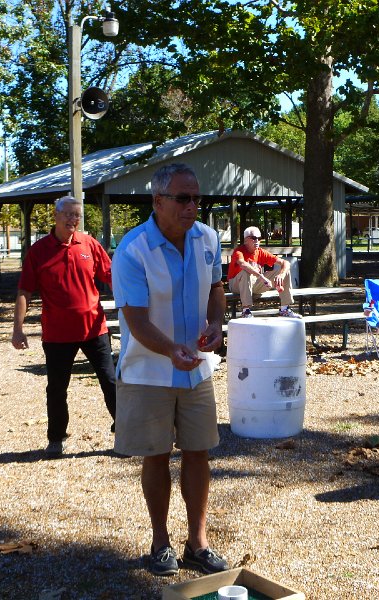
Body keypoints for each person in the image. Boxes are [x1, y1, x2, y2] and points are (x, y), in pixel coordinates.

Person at [111, 164, 230, 577]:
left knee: (199, 452)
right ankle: (160, 542)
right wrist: (170, 350)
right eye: (182, 198)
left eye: (196, 198)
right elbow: (136, 320)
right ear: (158, 201)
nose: (191, 206)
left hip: (196, 371)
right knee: (156, 455)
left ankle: (198, 543)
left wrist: (216, 324)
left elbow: (216, 289)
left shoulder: (208, 238)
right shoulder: (133, 249)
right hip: (149, 373)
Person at [11, 196, 116, 458]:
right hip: (57, 334)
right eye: (68, 214)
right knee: (57, 389)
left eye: (77, 215)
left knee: (111, 381)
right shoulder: (39, 251)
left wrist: (134, 306)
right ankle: (56, 439)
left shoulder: (89, 244)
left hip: (94, 328)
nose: (72, 219)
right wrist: (17, 328)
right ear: (56, 216)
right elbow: (25, 291)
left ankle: (125, 432)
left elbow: (113, 277)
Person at [227, 225, 301, 318]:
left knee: (285, 271)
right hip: (236, 284)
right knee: (245, 272)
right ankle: (246, 311)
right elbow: (242, 264)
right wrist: (261, 276)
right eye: (254, 238)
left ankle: (284, 309)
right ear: (246, 240)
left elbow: (285, 262)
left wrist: (281, 275)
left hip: (255, 284)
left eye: (259, 238)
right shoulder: (239, 252)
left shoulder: (261, 252)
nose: (257, 241)